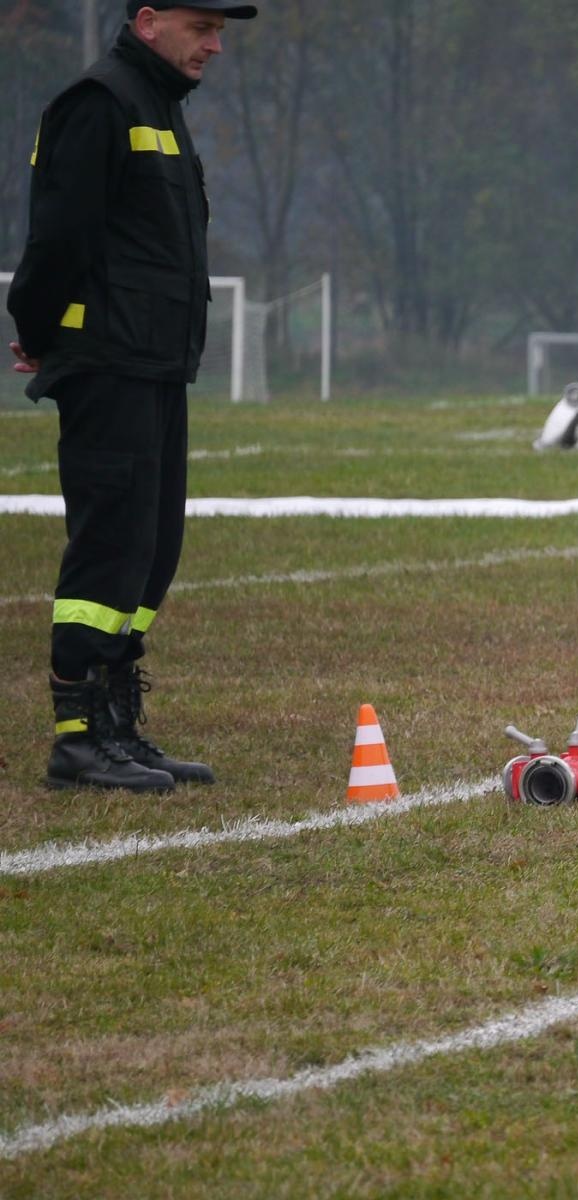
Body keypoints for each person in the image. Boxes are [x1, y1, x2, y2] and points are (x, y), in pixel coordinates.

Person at [7, 0, 258, 792]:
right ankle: (77, 736)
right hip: (107, 360)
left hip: (154, 362)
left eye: (220, 31)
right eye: (203, 27)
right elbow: (59, 237)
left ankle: (117, 721)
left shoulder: (159, 108)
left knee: (151, 550)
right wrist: (38, 328)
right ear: (148, 21)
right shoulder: (99, 102)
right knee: (111, 545)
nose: (215, 46)